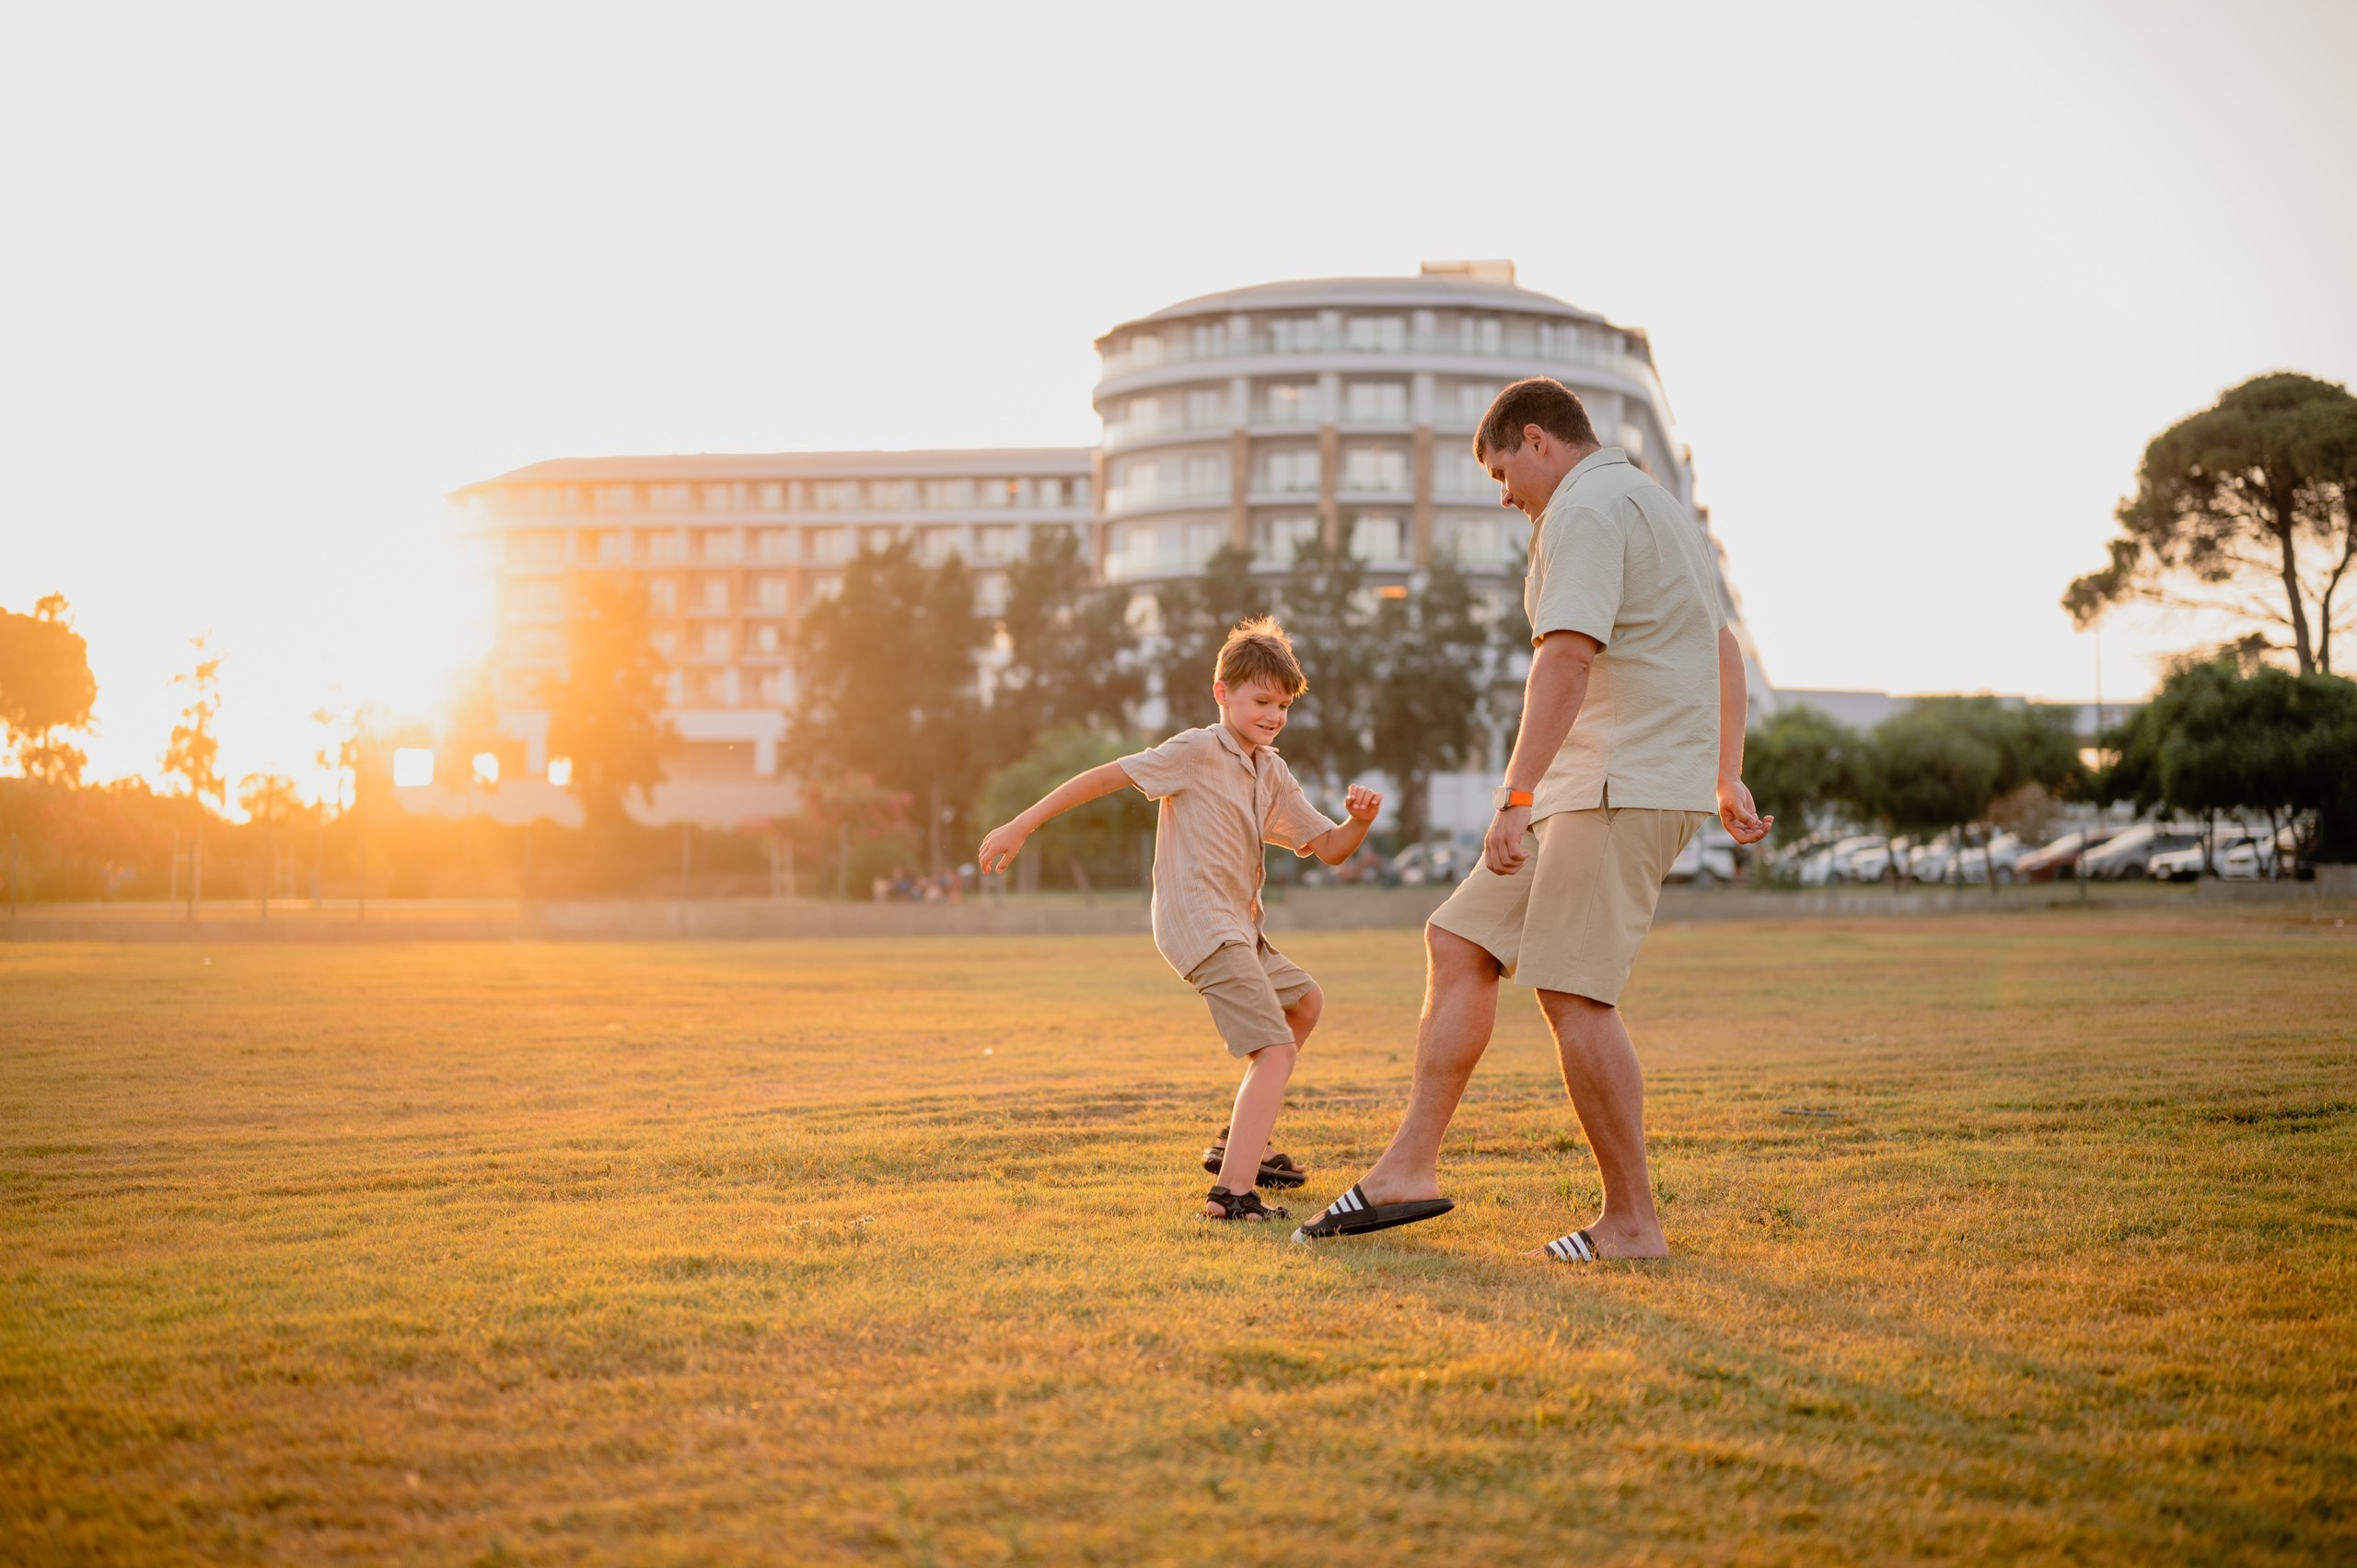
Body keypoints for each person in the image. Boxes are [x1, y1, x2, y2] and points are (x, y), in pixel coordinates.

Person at [1293, 377, 1772, 1261]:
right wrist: (1725, 774)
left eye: (1503, 472)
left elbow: (1564, 660)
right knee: (1459, 939)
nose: (1504, 496)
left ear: (1538, 438)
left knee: (1575, 992)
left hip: (1612, 783)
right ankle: (1409, 1169)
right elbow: (1721, 649)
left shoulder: (1588, 509)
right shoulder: (1658, 507)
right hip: (1591, 781)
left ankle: (1632, 1223)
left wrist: (1513, 795)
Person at [977, 617, 1383, 1224]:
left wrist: (1358, 823)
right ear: (1222, 692)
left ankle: (1240, 1140)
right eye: (1260, 701)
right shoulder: (1194, 751)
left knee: (1305, 1003)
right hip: (1201, 923)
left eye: (1282, 705)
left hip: (1242, 927)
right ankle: (1231, 1195)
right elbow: (1105, 777)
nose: (1273, 715)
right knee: (1274, 1048)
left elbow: (1328, 846)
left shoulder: (1270, 770)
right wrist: (1020, 824)